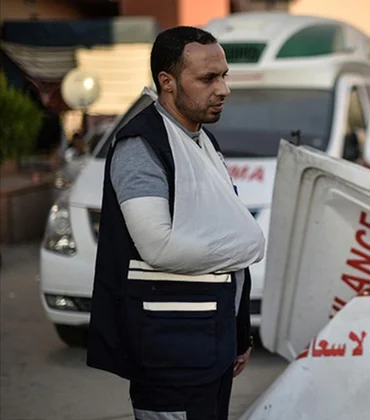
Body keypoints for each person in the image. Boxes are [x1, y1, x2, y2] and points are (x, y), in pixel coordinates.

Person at [86, 26, 266, 420]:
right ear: (167, 82)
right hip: (169, 351)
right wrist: (250, 244)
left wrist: (239, 335)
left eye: (224, 76)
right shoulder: (141, 147)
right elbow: (159, 247)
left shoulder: (203, 143)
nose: (223, 89)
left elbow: (220, 242)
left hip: (211, 344)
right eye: (207, 78)